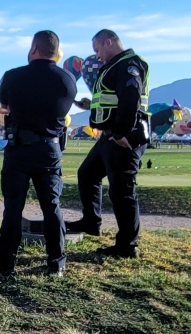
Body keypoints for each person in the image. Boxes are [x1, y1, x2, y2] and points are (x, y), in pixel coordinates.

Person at [0, 31, 76, 278]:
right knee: (52, 207)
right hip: (50, 148)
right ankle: (56, 263)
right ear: (55, 51)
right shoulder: (68, 80)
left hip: (20, 149)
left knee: (13, 208)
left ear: (34, 48)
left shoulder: (14, 76)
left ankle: (5, 262)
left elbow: (4, 105)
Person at [66, 29, 150, 259]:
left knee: (122, 191)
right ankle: (91, 222)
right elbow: (110, 101)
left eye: (98, 50)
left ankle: (127, 246)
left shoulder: (129, 65)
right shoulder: (113, 66)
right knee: (87, 174)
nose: (98, 56)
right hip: (108, 135)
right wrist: (88, 106)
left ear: (109, 42)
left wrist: (121, 132)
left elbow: (131, 98)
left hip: (123, 137)